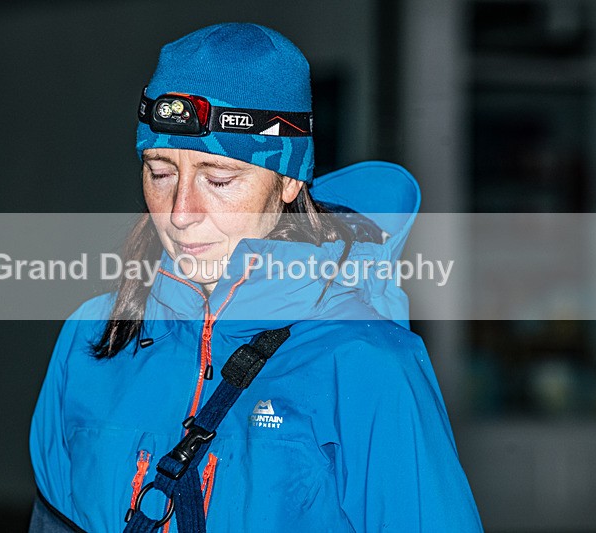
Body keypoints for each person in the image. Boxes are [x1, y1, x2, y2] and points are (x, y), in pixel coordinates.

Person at [28, 23, 483, 532]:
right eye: (160, 172)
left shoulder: (366, 362)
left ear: (289, 179)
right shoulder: (91, 336)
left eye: (218, 179)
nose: (180, 213)